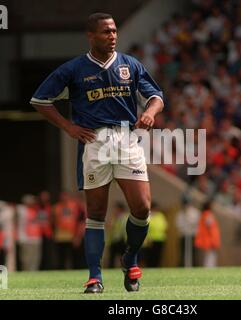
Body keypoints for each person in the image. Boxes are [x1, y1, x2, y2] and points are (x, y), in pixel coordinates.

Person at [30, 13, 164, 293]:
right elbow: (40, 100)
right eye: (106, 32)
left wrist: (150, 113)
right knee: (96, 212)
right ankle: (95, 277)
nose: (112, 36)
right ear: (91, 36)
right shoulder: (74, 69)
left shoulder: (130, 65)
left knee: (142, 208)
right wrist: (68, 126)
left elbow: (156, 97)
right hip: (95, 141)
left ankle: (130, 257)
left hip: (127, 139)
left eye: (114, 31)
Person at [194, 201, 221, 268]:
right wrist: (213, 240)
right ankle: (209, 270)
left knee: (208, 256)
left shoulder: (203, 215)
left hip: (207, 239)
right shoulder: (208, 215)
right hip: (210, 239)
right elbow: (211, 228)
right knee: (210, 257)